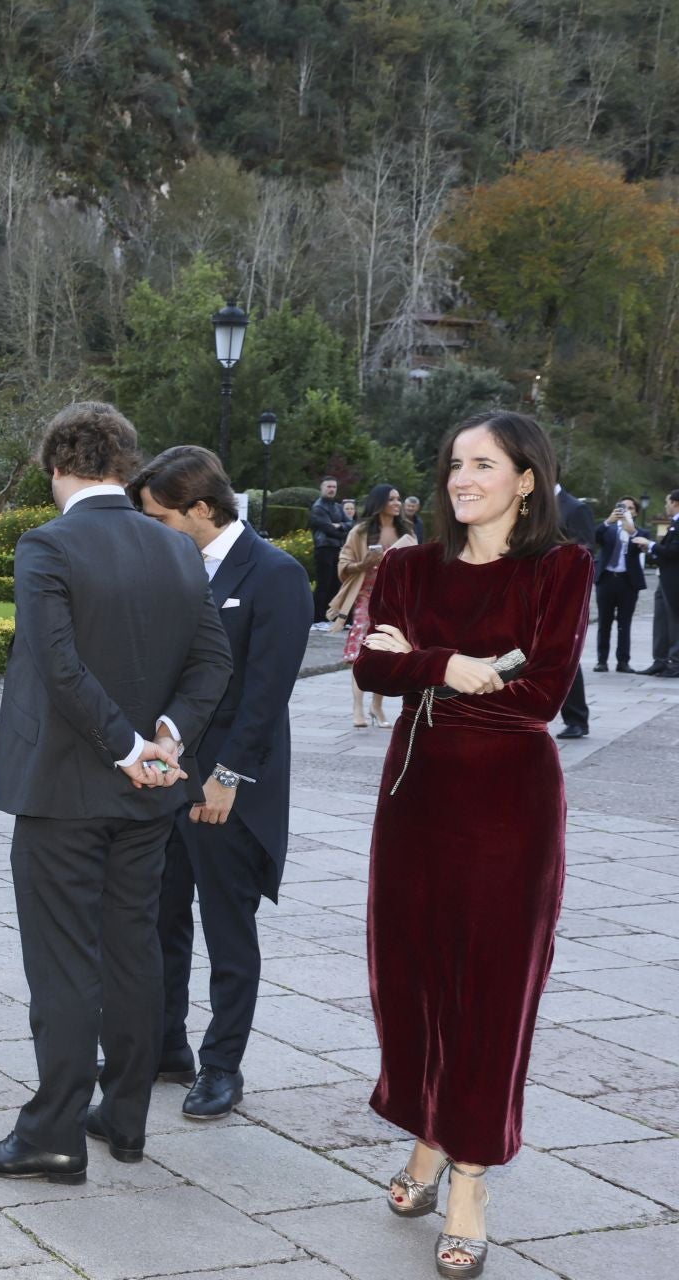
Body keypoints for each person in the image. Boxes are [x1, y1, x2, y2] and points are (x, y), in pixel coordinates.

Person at [0, 402, 230, 1184]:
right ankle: (125, 1117)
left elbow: (58, 667)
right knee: (133, 954)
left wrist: (128, 747)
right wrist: (167, 740)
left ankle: (52, 1134)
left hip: (67, 793)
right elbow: (213, 664)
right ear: (126, 464)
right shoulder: (178, 548)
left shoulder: (48, 544)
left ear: (57, 466)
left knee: (64, 964)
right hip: (150, 795)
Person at [354, 410, 591, 1279]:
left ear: (526, 478)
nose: (462, 479)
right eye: (455, 463)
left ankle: (470, 1182)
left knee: (489, 994)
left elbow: (541, 696)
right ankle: (428, 1139)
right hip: (413, 802)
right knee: (410, 982)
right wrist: (453, 667)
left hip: (508, 813)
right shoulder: (409, 565)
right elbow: (371, 666)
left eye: (483, 464)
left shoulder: (562, 567)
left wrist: (428, 660)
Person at [130, 446, 311, 1120]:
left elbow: (266, 696)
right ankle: (164, 1045)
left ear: (201, 509)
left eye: (160, 515)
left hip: (229, 787)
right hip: (169, 779)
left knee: (228, 931)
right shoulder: (174, 565)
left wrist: (227, 779)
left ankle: (222, 1067)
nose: (151, 528)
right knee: (160, 918)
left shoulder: (276, 574)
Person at [329, 485, 413, 728]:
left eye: (399, 498)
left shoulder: (406, 530)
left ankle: (377, 707)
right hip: (366, 597)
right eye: (393, 499)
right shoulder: (360, 532)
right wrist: (364, 564)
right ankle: (358, 708)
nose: (398, 503)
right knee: (361, 652)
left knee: (387, 652)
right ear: (380, 503)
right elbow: (343, 563)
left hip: (395, 600)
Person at [554, 486, 598, 739]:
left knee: (563, 656)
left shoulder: (575, 508)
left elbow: (585, 553)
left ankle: (577, 719)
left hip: (562, 593)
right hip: (527, 590)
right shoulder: (530, 505)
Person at [592, 496, 652, 673]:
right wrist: (608, 521)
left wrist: (632, 531)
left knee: (624, 624)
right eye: (623, 507)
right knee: (604, 622)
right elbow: (592, 536)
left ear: (636, 513)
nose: (627, 510)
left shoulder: (641, 533)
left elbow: (644, 547)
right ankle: (601, 660)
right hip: (607, 579)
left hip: (628, 582)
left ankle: (623, 661)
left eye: (631, 508)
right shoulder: (608, 530)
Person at [309, 476, 352, 630]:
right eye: (329, 486)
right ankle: (317, 618)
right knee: (323, 585)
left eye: (334, 486)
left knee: (336, 584)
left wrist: (339, 525)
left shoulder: (337, 507)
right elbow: (328, 529)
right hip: (323, 548)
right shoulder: (318, 508)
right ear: (322, 488)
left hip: (337, 550)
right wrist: (343, 530)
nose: (332, 489)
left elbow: (351, 523)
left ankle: (330, 617)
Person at [647, 490, 679, 677]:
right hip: (664, 579)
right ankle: (660, 661)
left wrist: (650, 545)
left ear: (675, 503)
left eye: (667, 502)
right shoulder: (674, 523)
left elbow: (674, 551)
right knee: (661, 621)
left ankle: (675, 664)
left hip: (674, 581)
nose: (665, 505)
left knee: (674, 623)